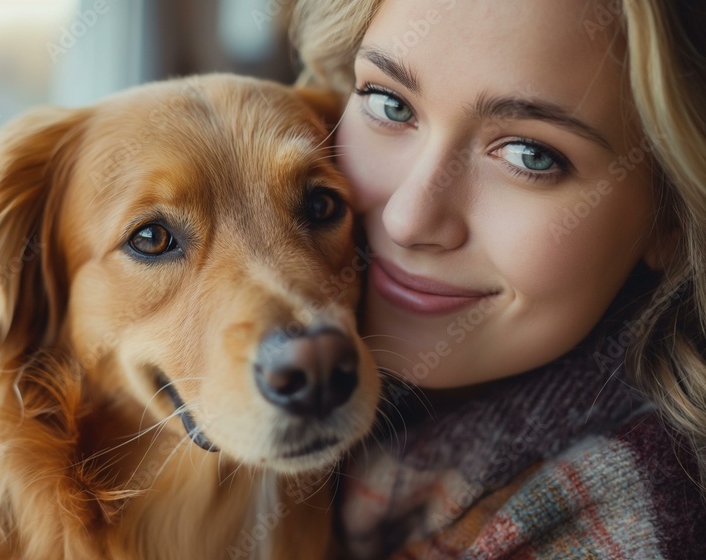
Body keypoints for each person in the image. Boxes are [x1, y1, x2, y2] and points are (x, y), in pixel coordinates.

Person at [289, 0, 706, 557]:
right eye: (389, 104)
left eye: (531, 155)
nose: (408, 220)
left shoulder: (634, 522)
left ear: (672, 214)